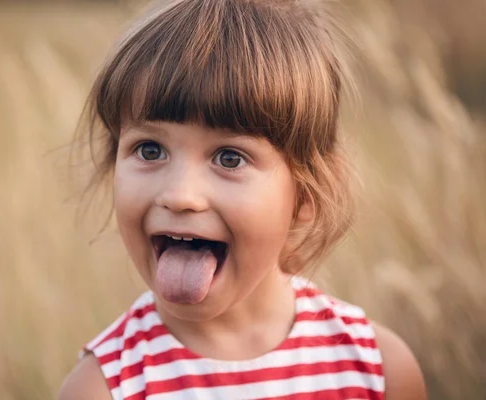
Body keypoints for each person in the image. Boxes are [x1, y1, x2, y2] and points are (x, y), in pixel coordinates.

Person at [59, 0, 427, 398]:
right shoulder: (103, 388)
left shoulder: (378, 372)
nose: (181, 195)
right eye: (150, 150)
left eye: (229, 158)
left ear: (306, 194)